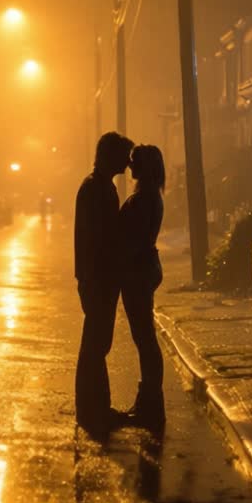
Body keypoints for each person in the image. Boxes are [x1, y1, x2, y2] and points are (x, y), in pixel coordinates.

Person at [74, 131, 134, 436]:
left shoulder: (98, 187)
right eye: (124, 155)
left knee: (97, 345)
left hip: (98, 277)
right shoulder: (97, 190)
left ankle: (95, 406)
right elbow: (97, 239)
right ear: (111, 156)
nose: (128, 162)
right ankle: (92, 409)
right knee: (95, 345)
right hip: (98, 278)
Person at [118, 144, 166, 430]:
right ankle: (148, 402)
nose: (129, 165)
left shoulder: (143, 199)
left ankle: (150, 404)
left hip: (138, 270)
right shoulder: (149, 196)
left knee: (145, 339)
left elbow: (132, 239)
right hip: (144, 267)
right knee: (144, 338)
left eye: (134, 161)